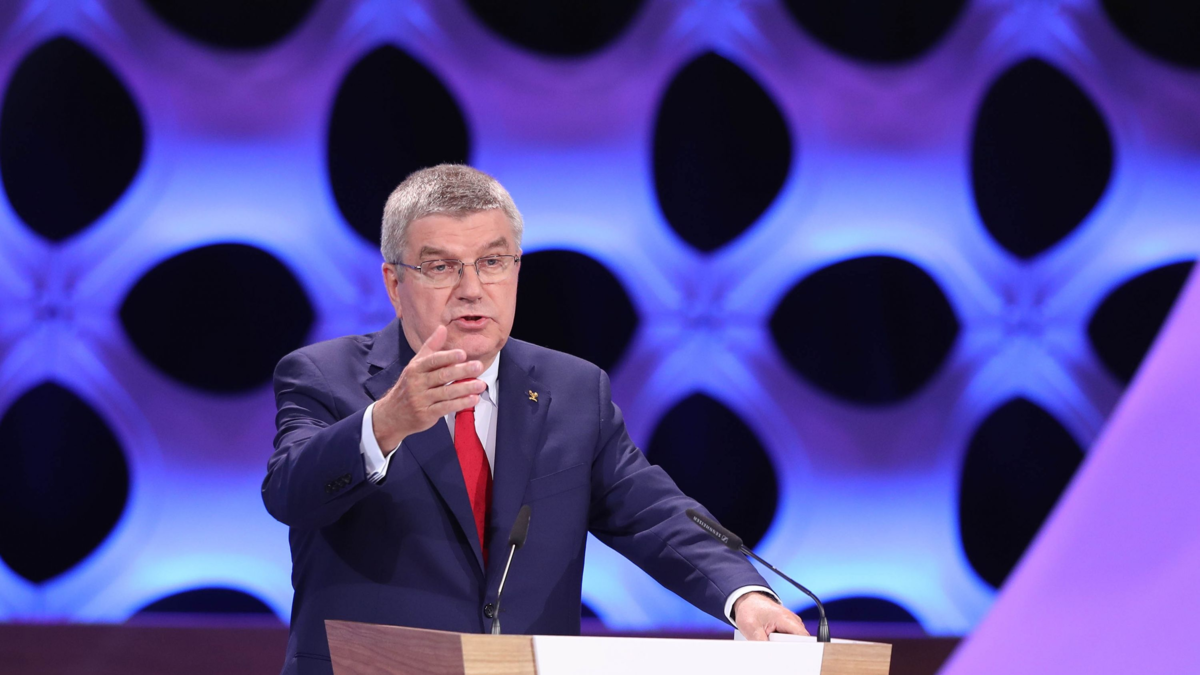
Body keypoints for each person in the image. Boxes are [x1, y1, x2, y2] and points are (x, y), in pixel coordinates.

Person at [262, 164, 809, 674]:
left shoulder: (573, 391)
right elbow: (290, 493)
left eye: (492, 262)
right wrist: (387, 422)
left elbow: (653, 514)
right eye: (440, 267)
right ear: (393, 284)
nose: (471, 289)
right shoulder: (324, 376)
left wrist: (746, 596)